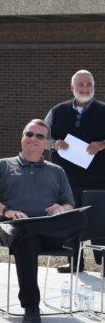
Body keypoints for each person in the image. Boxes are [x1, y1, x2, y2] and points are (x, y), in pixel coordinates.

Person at [0, 119, 84, 323]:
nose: (33, 139)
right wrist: (7, 211)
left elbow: (69, 204)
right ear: (22, 138)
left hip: (49, 230)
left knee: (79, 217)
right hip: (13, 228)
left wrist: (60, 209)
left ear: (47, 143)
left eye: (39, 136)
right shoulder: (2, 165)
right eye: (29, 134)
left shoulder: (56, 171)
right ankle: (31, 307)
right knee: (25, 236)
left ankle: (33, 226)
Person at [44, 69, 105, 273]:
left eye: (89, 84)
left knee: (100, 220)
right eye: (81, 84)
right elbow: (42, 137)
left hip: (99, 179)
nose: (85, 88)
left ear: (94, 87)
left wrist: (102, 144)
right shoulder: (57, 111)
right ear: (72, 87)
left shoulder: (103, 110)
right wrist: (54, 144)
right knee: (69, 220)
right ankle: (74, 263)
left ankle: (103, 263)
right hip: (66, 179)